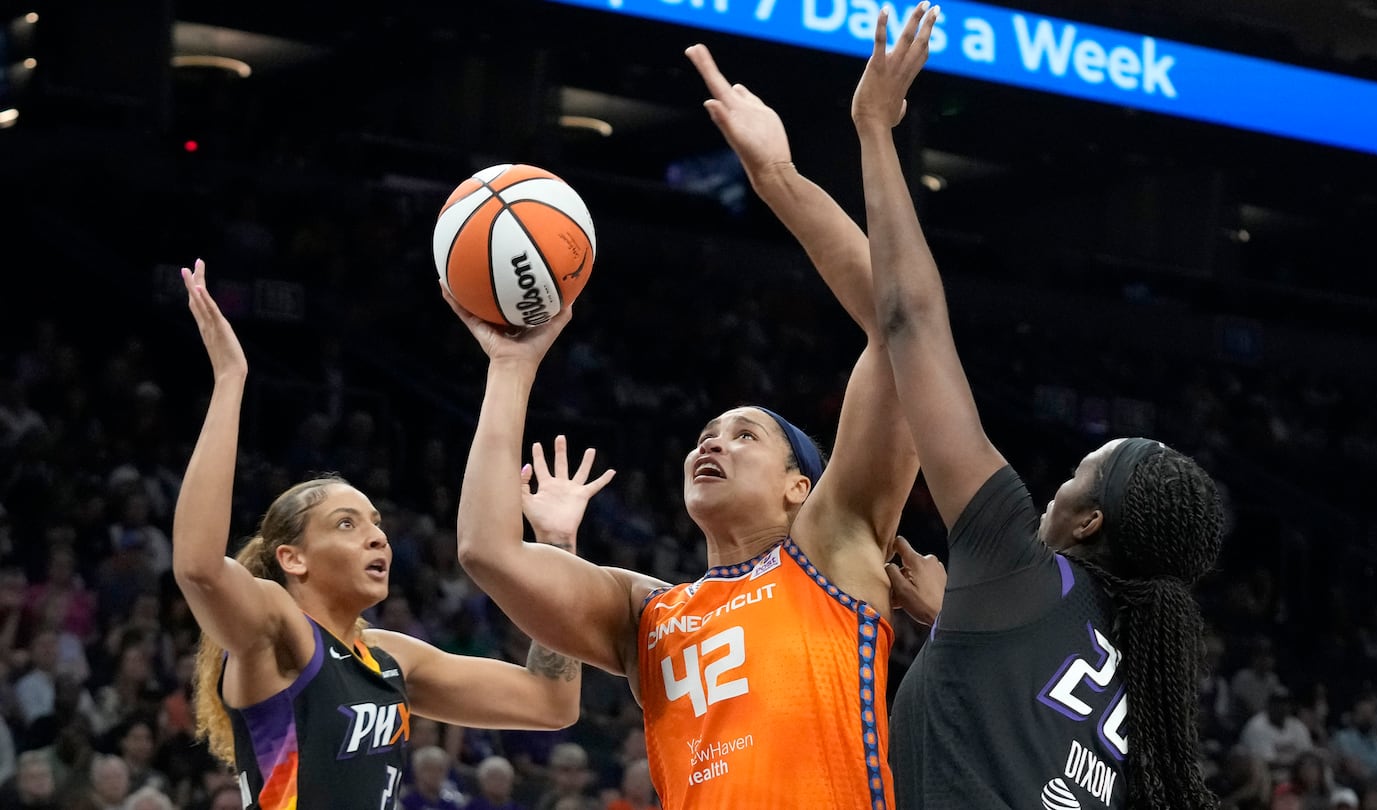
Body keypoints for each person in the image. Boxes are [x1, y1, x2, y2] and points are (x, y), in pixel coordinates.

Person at [445, 42, 919, 810]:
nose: (712, 441)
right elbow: (487, 550)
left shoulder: (836, 547)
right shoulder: (649, 615)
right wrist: (512, 368)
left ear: (803, 486)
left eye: (744, 434)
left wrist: (776, 177)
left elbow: (899, 324)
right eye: (707, 432)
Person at [852, 5, 1225, 808]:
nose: (1056, 483)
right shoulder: (1135, 682)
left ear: (1089, 522)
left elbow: (910, 321)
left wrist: (877, 131)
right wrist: (954, 613)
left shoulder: (1017, 563)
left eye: (1081, 471)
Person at [172, 259, 583, 809]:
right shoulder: (279, 633)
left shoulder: (390, 657)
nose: (377, 538)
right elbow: (199, 567)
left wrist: (557, 552)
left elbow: (552, 703)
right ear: (293, 558)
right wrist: (230, 380)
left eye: (377, 524)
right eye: (347, 524)